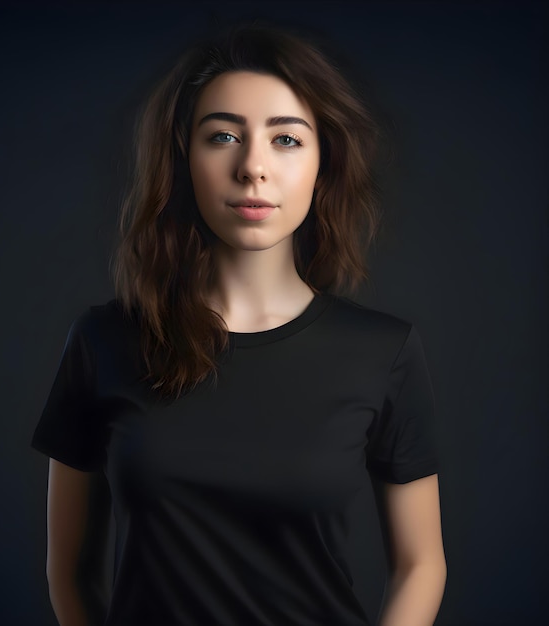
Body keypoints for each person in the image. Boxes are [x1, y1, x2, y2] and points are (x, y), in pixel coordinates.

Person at [32, 19, 447, 626]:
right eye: (223, 136)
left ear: (321, 165)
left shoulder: (383, 350)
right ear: (183, 160)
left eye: (286, 140)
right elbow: (69, 571)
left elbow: (421, 565)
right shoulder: (103, 343)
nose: (253, 167)